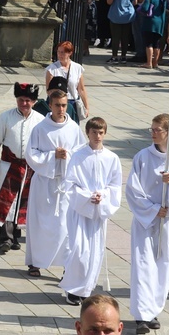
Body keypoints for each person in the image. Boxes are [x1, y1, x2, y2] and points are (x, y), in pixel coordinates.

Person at [126, 113, 169, 334]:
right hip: (146, 220)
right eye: (152, 129)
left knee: (163, 267)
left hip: (168, 222)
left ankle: (154, 310)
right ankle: (141, 315)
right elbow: (133, 189)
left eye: (157, 130)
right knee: (143, 266)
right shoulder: (142, 156)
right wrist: (154, 209)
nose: (153, 133)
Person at [59, 117, 122, 305]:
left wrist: (102, 195)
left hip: (98, 212)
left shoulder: (112, 158)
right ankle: (71, 289)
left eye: (101, 132)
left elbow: (115, 185)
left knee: (95, 252)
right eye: (94, 132)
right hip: (80, 211)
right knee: (78, 250)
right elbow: (69, 183)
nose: (97, 136)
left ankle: (86, 289)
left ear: (105, 133)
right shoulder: (78, 156)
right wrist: (87, 196)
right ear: (88, 133)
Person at [24, 89, 86, 277]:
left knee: (66, 226)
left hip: (65, 183)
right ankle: (35, 262)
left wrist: (67, 156)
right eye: (57, 105)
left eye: (64, 105)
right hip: (45, 183)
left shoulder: (73, 128)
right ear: (50, 105)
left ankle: (67, 263)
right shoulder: (40, 128)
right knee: (39, 224)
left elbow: (81, 152)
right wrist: (53, 156)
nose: (61, 109)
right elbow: (31, 154)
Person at [0, 82, 44, 253]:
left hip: (30, 169)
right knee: (6, 204)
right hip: (8, 167)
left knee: (23, 203)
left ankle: (16, 236)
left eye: (27, 100)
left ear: (34, 101)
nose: (24, 104)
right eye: (21, 100)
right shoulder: (5, 117)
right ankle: (5, 238)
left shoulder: (40, 121)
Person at [45, 40, 90, 123]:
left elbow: (81, 89)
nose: (60, 55)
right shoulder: (51, 69)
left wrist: (86, 107)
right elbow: (48, 90)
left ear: (70, 53)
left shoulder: (77, 68)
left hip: (72, 103)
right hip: (58, 103)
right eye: (58, 52)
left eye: (63, 52)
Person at [106, 0, 137, 64]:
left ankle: (114, 57)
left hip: (116, 14)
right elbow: (135, 2)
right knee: (125, 37)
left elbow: (109, 1)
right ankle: (123, 57)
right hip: (128, 15)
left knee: (115, 37)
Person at [138, 0, 168, 69]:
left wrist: (139, 9)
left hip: (150, 22)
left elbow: (145, 8)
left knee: (149, 43)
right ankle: (155, 63)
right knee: (156, 44)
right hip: (160, 23)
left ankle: (149, 63)